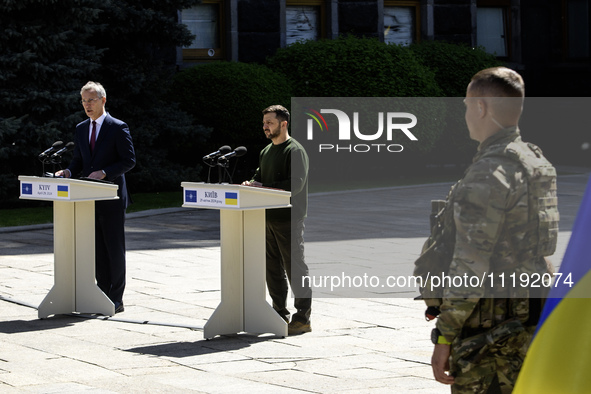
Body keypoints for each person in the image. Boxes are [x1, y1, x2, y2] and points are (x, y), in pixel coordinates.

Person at [423, 67, 559, 392]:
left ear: (481, 107)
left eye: (467, 105)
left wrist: (444, 336)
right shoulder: (535, 160)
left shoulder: (489, 172)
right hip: (526, 319)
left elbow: (471, 265)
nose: (466, 114)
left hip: (491, 335)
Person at [56, 81, 136, 314]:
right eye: (83, 101)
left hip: (111, 197)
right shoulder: (82, 128)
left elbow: (128, 160)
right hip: (88, 198)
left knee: (114, 248)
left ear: (103, 100)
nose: (86, 105)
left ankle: (116, 299)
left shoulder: (118, 127)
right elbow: (78, 161)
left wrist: (105, 173)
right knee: (97, 250)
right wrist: (68, 171)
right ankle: (100, 294)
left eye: (91, 100)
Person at [242, 105, 312, 335]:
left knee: (295, 267)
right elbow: (259, 176)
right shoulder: (266, 152)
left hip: (289, 217)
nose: (265, 127)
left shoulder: (295, 150)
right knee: (271, 268)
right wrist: (251, 184)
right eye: (264, 123)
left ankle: (302, 317)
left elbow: (296, 185)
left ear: (284, 124)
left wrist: (264, 187)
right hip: (266, 216)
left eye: (270, 122)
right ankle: (279, 313)